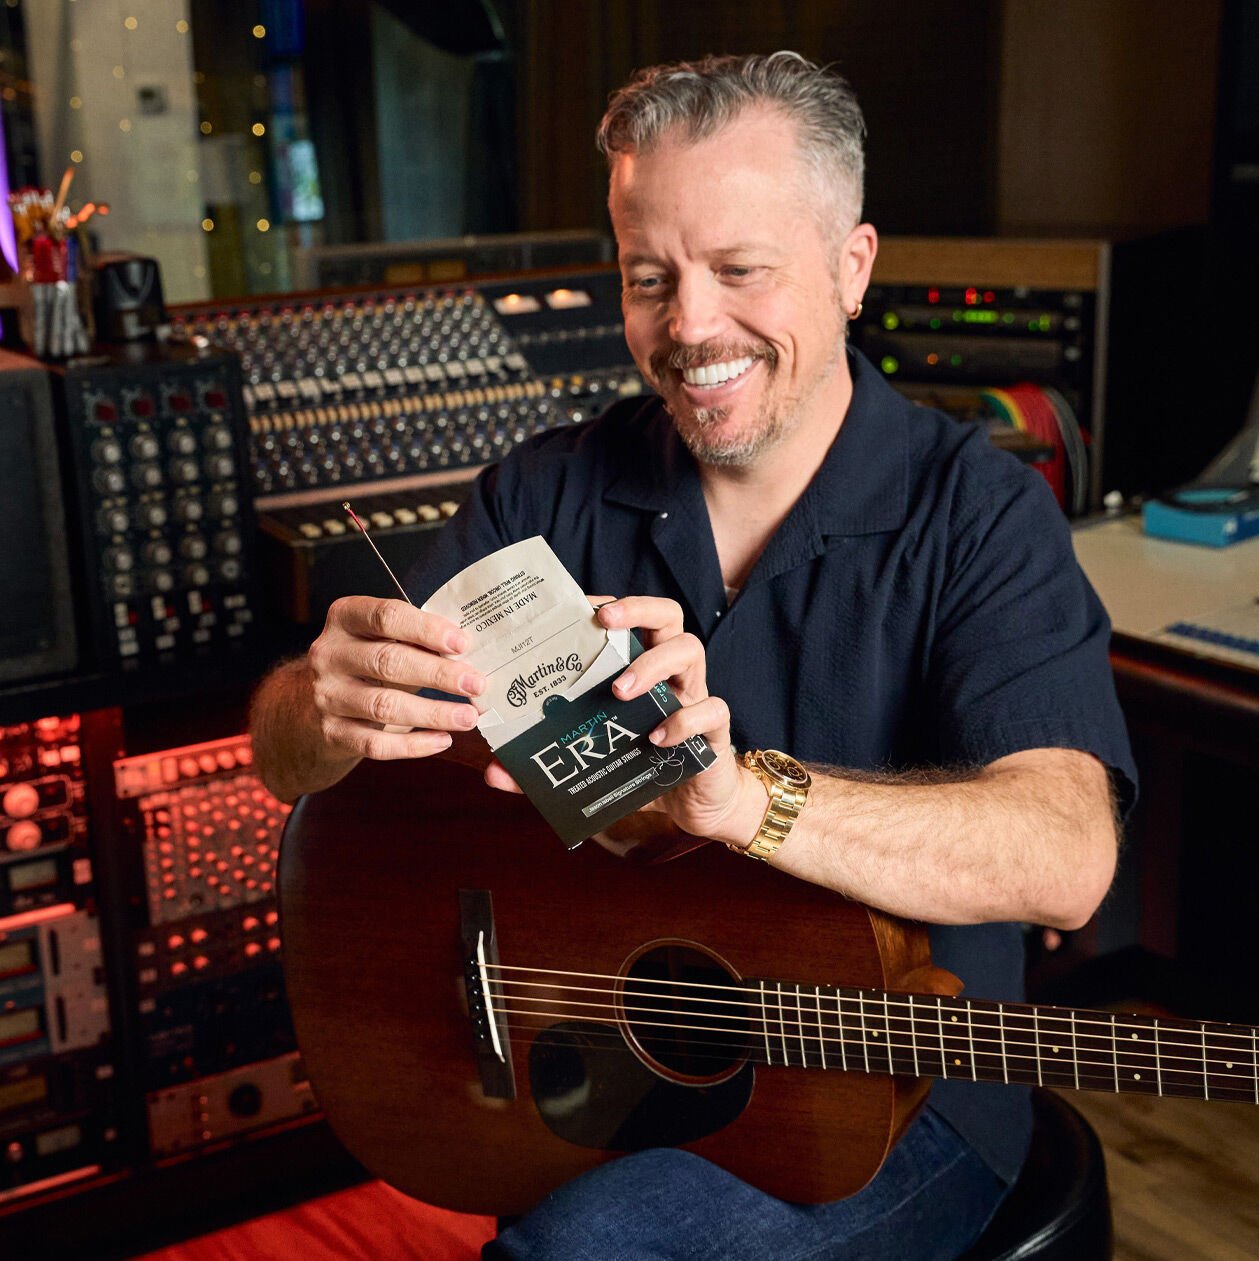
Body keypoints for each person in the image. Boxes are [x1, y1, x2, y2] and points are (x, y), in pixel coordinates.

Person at [251, 51, 1136, 1259]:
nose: (689, 326)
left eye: (738, 270)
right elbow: (290, 762)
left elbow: (1066, 855)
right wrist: (318, 700)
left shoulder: (978, 513)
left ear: (851, 267)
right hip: (600, 1065)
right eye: (648, 277)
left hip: (896, 1104)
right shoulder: (542, 493)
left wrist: (743, 803)